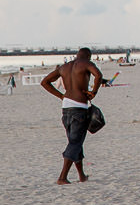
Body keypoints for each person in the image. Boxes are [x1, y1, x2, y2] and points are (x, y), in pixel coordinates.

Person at [41, 48, 104, 185]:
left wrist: (61, 96)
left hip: (66, 108)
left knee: (75, 142)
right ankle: (62, 177)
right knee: (75, 143)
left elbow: (44, 82)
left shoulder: (65, 67)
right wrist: (94, 92)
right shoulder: (86, 64)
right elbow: (98, 75)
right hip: (79, 108)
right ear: (88, 56)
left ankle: (81, 176)